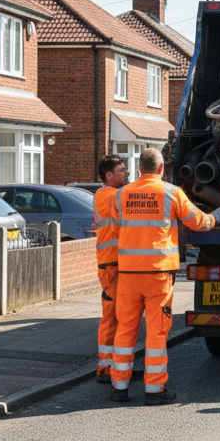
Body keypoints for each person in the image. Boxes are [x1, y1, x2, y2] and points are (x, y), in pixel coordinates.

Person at [110, 147, 220, 405]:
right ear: (161, 169)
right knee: (156, 331)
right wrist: (218, 215)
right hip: (158, 273)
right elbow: (198, 223)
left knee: (125, 328)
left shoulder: (121, 194)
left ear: (139, 168)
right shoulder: (171, 193)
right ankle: (154, 389)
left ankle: (119, 386)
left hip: (128, 272)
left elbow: (118, 225)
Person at [93, 154, 129, 384]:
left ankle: (115, 364)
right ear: (109, 175)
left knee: (119, 315)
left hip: (114, 262)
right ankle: (105, 367)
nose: (126, 174)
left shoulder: (108, 194)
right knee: (111, 316)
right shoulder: (109, 196)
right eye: (122, 170)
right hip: (111, 263)